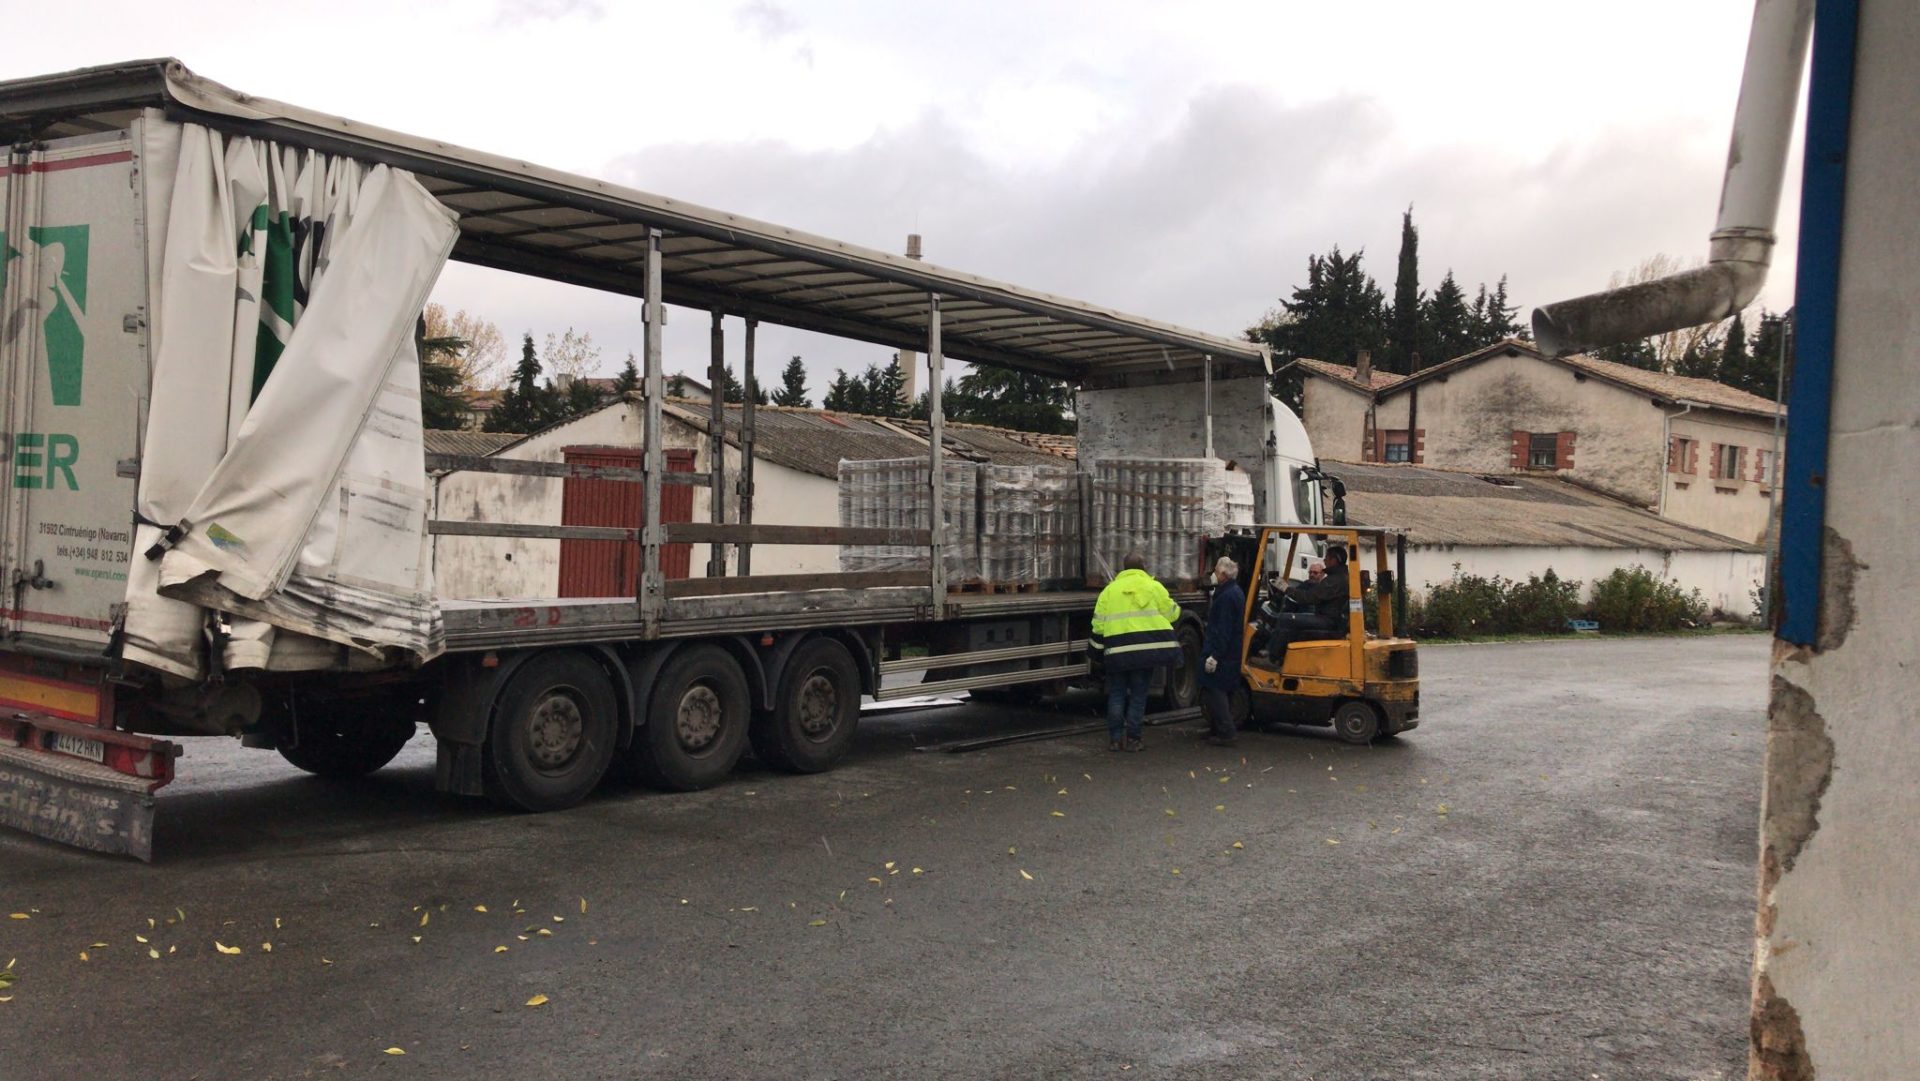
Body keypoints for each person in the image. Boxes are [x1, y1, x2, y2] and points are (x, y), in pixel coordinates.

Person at [1088, 551, 1181, 752]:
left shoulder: (1109, 591)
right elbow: (1172, 614)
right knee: (1138, 695)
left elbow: (1098, 625)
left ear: (1124, 568)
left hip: (1117, 652)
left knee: (1117, 693)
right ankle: (1133, 740)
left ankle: (1115, 740)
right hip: (1143, 654)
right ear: (1143, 567)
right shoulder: (1154, 587)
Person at [1264, 546, 1350, 667]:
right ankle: (1283, 657)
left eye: (1327, 557)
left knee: (1285, 619)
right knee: (1293, 621)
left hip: (1328, 620)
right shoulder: (1339, 577)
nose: (1324, 560)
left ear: (1334, 560)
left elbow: (1308, 598)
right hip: (1330, 619)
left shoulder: (1334, 580)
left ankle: (1272, 659)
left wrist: (1286, 589)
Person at [1198, 555, 1246, 747]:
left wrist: (1215, 655)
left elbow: (1223, 629)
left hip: (1222, 652)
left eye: (1216, 571)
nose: (1214, 575)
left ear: (1224, 574)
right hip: (1231, 651)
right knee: (1225, 690)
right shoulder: (1234, 592)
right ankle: (1218, 728)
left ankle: (1226, 731)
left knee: (1215, 690)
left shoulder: (1226, 597)